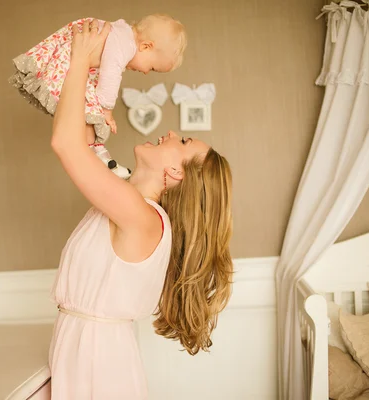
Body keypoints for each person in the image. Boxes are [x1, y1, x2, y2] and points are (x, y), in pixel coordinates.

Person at [48, 19, 234, 399]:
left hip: (97, 363)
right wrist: (94, 91)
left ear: (175, 173)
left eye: (181, 141)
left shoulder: (141, 216)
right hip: (85, 353)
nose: (169, 133)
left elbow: (66, 145)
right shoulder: (127, 198)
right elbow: (81, 139)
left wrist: (81, 61)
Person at [10, 14, 187, 179]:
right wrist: (107, 110)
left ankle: (97, 155)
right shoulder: (124, 45)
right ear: (146, 46)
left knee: (89, 111)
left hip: (74, 57)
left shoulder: (121, 33)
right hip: (69, 59)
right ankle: (96, 158)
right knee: (93, 112)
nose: (147, 73)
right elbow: (110, 77)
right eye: (152, 68)